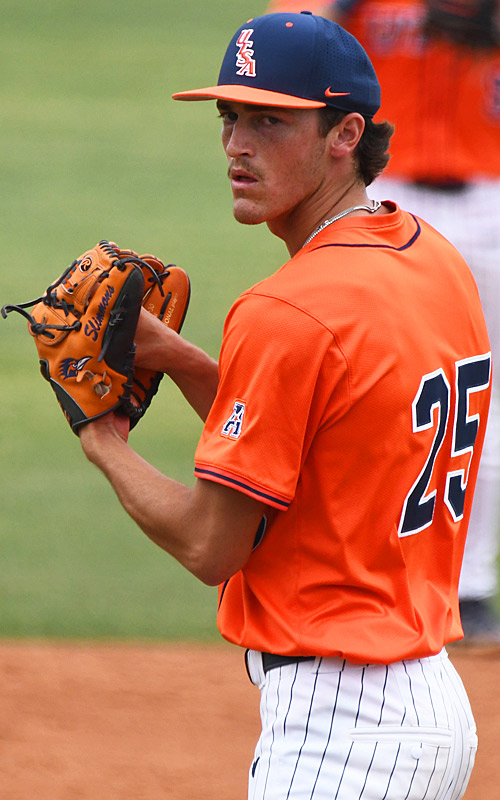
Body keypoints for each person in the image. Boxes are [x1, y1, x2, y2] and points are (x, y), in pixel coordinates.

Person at [79, 12, 491, 799]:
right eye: (230, 117)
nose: (238, 144)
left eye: (270, 120)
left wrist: (102, 437)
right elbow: (331, 427)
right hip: (431, 705)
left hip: (342, 730)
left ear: (346, 133)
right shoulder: (431, 258)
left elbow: (211, 547)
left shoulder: (288, 310)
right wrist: (178, 357)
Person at [265, 0, 500, 646]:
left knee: (476, 398)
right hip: (384, 190)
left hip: (490, 187)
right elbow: (287, 33)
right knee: (374, 390)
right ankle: (383, 573)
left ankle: (469, 587)